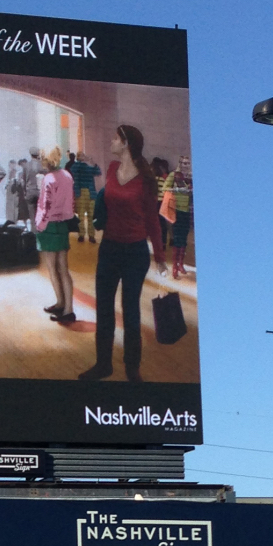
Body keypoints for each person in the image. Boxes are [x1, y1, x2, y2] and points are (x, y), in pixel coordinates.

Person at [79, 125, 167, 383]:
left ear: (127, 143)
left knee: (130, 311)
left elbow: (152, 220)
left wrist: (160, 257)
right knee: (104, 308)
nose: (112, 141)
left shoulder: (146, 179)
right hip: (109, 248)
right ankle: (103, 364)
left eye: (116, 138)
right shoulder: (111, 169)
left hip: (135, 252)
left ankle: (132, 367)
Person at [35, 146, 76, 325]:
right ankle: (67, 308)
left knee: (52, 268)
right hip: (63, 225)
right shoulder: (67, 175)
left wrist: (39, 225)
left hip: (49, 226)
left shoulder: (48, 179)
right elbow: (71, 202)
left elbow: (46, 207)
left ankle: (61, 303)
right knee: (64, 269)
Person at [163, 156, 193, 279]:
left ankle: (181, 263)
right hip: (176, 209)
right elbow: (165, 188)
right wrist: (178, 190)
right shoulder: (174, 175)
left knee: (184, 238)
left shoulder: (191, 176)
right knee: (177, 238)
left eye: (188, 163)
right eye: (184, 163)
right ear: (180, 163)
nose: (186, 165)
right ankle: (175, 266)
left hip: (188, 210)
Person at [70, 151, 101, 243]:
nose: (82, 157)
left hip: (90, 192)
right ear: (77, 157)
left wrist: (93, 163)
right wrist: (81, 162)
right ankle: (81, 234)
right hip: (81, 192)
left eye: (83, 155)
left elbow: (98, 172)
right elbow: (73, 170)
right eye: (80, 156)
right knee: (81, 216)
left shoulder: (88, 167)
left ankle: (91, 235)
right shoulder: (76, 166)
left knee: (91, 215)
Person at [151, 156, 171, 251]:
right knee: (163, 225)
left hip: (154, 204)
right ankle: (163, 243)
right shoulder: (163, 180)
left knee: (155, 225)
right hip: (162, 203)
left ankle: (156, 243)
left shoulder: (152, 180)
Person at [22, 146, 45, 232]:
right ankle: (40, 231)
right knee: (40, 214)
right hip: (40, 191)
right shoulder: (42, 165)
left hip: (30, 191)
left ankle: (33, 232)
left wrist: (25, 192)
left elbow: (23, 181)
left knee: (32, 216)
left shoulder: (26, 166)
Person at [4, 160, 20, 224]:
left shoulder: (13, 172)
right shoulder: (12, 172)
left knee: (11, 205)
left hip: (12, 189)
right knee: (12, 205)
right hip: (12, 189)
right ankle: (12, 219)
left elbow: (11, 181)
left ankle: (11, 219)